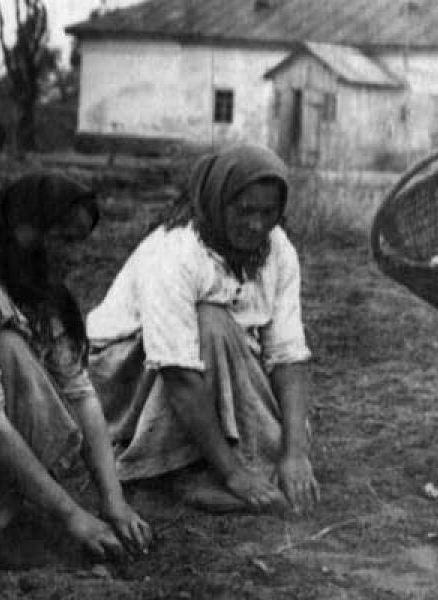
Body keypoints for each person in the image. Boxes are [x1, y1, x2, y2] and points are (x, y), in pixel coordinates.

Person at [0, 173, 153, 563]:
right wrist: (72, 516)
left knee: (25, 360)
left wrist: (113, 500)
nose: (72, 255)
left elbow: (80, 393)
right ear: (24, 230)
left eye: (78, 243)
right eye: (62, 239)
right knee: (11, 350)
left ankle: (8, 513)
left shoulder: (37, 290)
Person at [85, 143, 319, 515]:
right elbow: (177, 371)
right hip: (129, 377)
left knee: (222, 331)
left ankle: (223, 462)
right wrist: (235, 474)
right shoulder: (176, 251)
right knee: (211, 319)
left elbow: (288, 354)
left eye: (268, 212)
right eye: (245, 211)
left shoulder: (277, 249)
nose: (257, 225)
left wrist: (295, 452)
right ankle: (185, 470)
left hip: (214, 364)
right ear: (218, 201)